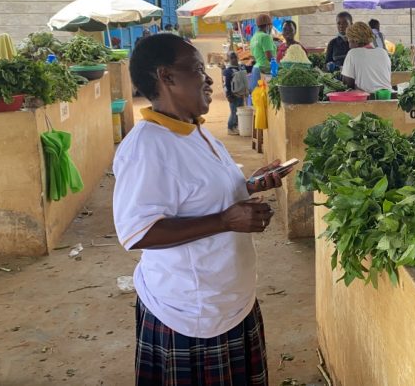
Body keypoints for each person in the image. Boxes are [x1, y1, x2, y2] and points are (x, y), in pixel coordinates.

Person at [114, 33, 293, 385]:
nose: (209, 78)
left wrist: (248, 185)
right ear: (166, 77)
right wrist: (227, 220)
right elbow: (137, 232)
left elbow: (202, 192)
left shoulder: (195, 129)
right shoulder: (148, 147)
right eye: (197, 69)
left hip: (229, 298)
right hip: (190, 312)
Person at [341, 21, 391, 93]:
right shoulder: (383, 53)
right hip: (387, 97)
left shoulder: (353, 53)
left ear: (356, 41)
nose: (349, 46)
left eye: (349, 41)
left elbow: (347, 84)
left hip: (367, 99)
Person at [223, 51, 252, 135]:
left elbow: (249, 69)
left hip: (241, 94)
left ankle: (236, 126)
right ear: (228, 59)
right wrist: (228, 95)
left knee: (239, 111)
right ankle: (230, 127)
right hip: (233, 95)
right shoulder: (228, 71)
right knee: (234, 112)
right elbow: (226, 84)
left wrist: (254, 63)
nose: (234, 59)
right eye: (231, 58)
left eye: (235, 57)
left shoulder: (242, 67)